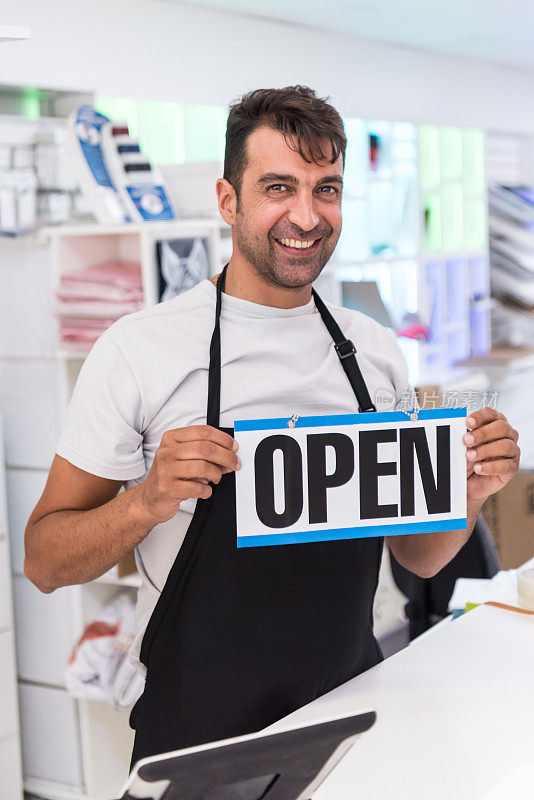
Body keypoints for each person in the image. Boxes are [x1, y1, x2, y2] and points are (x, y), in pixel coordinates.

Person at [24, 86, 520, 765]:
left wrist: (471, 493)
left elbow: (413, 555)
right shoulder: (140, 350)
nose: (307, 215)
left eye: (327, 189)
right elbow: (45, 560)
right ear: (229, 201)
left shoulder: (373, 351)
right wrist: (145, 502)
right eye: (279, 187)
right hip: (201, 734)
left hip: (349, 711)